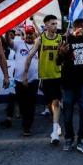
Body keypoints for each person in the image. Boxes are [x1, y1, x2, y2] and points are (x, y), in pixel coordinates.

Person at [58, 18, 83, 153]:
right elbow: (57, 61)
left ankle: (82, 140)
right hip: (68, 84)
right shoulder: (66, 40)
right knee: (67, 113)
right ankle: (68, 138)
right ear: (76, 28)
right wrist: (61, 53)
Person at [26, 15, 63, 144]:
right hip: (45, 76)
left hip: (57, 75)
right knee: (49, 103)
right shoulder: (41, 39)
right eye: (52, 24)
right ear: (46, 25)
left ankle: (54, 132)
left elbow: (64, 57)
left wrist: (63, 53)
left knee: (56, 102)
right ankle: (56, 123)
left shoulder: (60, 39)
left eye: (56, 23)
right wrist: (25, 74)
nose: (55, 26)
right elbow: (30, 56)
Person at [11, 25, 40, 136]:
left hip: (34, 80)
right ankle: (25, 121)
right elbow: (8, 42)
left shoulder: (38, 46)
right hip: (19, 80)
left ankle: (27, 126)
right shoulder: (19, 44)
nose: (28, 35)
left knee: (31, 103)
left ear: (34, 34)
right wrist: (6, 30)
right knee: (22, 103)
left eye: (30, 33)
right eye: (27, 33)